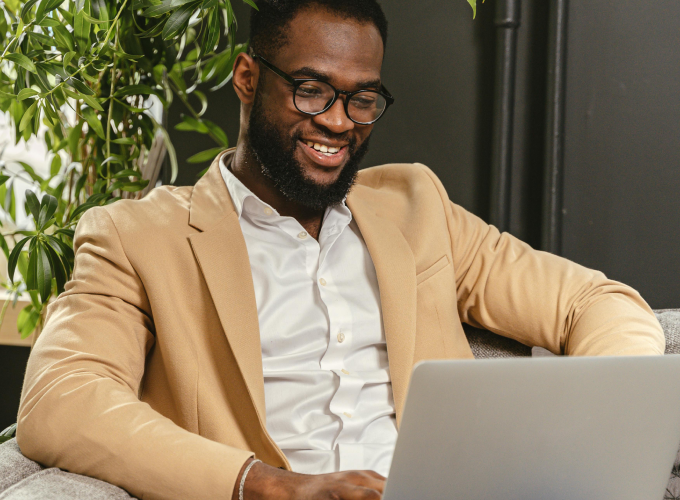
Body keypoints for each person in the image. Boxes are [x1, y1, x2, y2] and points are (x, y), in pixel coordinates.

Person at [16, 0, 665, 499]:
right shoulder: (136, 235)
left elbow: (596, 301)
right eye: (311, 89)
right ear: (247, 78)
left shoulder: (415, 206)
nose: (338, 121)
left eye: (362, 99)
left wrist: (594, 422)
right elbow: (60, 401)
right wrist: (267, 486)